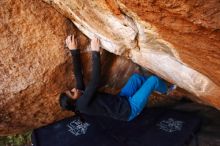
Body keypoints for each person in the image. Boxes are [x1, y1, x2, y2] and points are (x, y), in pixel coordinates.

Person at [60, 35, 175, 121]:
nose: (74, 89)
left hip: (121, 99)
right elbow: (95, 82)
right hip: (129, 109)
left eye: (71, 89)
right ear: (74, 101)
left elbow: (78, 75)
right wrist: (95, 52)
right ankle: (166, 91)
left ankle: (157, 87)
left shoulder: (79, 94)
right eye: (72, 93)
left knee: (136, 78)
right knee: (153, 80)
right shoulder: (82, 104)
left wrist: (74, 51)